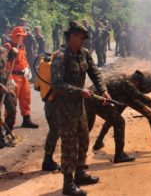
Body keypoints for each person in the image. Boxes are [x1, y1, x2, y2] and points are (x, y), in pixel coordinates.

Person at [51, 21, 110, 196]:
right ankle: (68, 184)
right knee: (70, 145)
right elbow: (57, 84)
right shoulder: (61, 57)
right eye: (80, 38)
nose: (83, 41)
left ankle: (80, 174)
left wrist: (103, 90)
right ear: (71, 37)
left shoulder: (84, 53)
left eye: (84, 38)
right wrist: (79, 91)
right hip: (65, 107)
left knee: (83, 139)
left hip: (79, 106)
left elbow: (95, 73)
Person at [85, 74, 151, 162]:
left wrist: (144, 107)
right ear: (136, 82)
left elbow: (131, 99)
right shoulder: (128, 84)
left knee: (87, 129)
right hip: (95, 100)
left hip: (88, 97)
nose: (138, 88)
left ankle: (84, 155)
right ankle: (119, 155)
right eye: (138, 86)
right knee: (119, 122)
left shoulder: (122, 79)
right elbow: (139, 96)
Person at [4, 26, 39, 128]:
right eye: (19, 36)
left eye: (22, 36)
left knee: (26, 98)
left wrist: (27, 69)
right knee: (11, 102)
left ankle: (26, 119)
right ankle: (8, 124)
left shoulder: (22, 46)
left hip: (24, 76)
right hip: (13, 77)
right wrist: (10, 52)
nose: (21, 38)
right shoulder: (8, 46)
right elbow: (4, 60)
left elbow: (24, 60)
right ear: (14, 36)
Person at [0, 47, 17, 148]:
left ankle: (7, 133)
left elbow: (8, 58)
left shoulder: (2, 50)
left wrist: (13, 54)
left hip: (6, 82)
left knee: (12, 109)